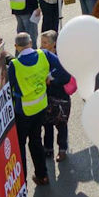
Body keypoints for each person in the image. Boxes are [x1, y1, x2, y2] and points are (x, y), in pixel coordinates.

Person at [7, 32, 69, 186]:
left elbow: (9, 88)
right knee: (36, 141)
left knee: (20, 145)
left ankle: (22, 183)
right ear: (31, 43)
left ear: (16, 47)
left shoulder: (14, 65)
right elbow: (65, 72)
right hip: (41, 107)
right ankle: (42, 176)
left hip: (23, 112)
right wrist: (50, 78)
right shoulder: (44, 54)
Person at [40, 31, 71, 162]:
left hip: (60, 98)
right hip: (46, 98)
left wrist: (51, 80)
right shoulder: (41, 56)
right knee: (47, 125)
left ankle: (62, 149)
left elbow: (66, 77)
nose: (42, 46)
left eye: (45, 43)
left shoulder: (62, 58)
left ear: (54, 44)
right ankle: (48, 149)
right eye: (41, 42)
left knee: (61, 125)